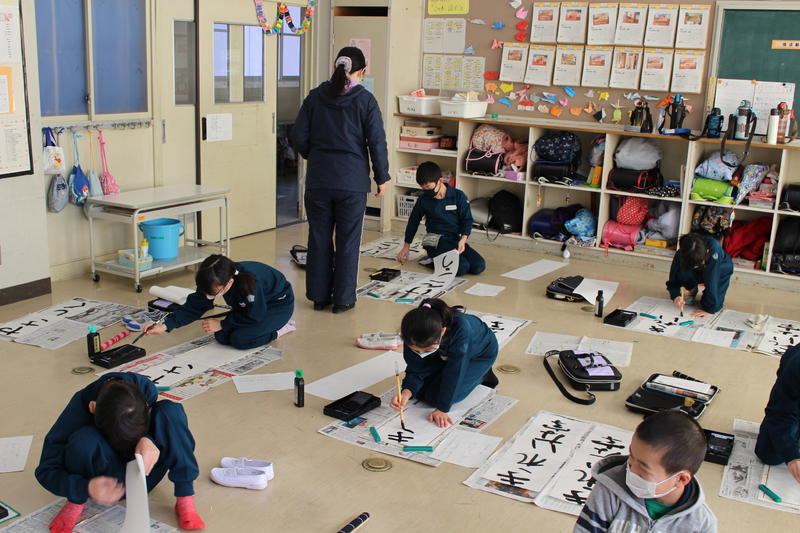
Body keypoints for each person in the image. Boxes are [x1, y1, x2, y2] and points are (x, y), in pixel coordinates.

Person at [35, 373, 205, 532]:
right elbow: (46, 470)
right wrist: (83, 488)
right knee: (83, 440)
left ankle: (185, 497)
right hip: (101, 481)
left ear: (146, 405)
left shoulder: (146, 392)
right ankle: (76, 503)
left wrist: (149, 439)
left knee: (170, 411)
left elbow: (165, 428)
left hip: (144, 472)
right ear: (92, 407)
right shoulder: (78, 408)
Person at [291, 46, 389, 314]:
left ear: (335, 67)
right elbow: (376, 142)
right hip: (351, 183)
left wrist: (315, 156)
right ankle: (343, 300)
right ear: (362, 71)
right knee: (348, 241)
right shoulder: (365, 100)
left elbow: (298, 136)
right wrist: (381, 177)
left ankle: (319, 297)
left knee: (319, 239)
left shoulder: (315, 96)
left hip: (319, 180)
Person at [574, 411, 717, 533]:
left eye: (643, 468)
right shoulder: (609, 490)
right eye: (631, 456)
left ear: (681, 479)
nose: (631, 469)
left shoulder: (701, 524)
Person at [146, 254, 294, 350]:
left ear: (229, 283)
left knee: (240, 339)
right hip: (250, 307)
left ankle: (280, 329)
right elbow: (194, 307)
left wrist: (223, 324)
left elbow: (255, 314)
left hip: (277, 305)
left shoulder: (249, 286)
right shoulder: (214, 279)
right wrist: (164, 325)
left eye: (212, 294)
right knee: (221, 336)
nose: (207, 297)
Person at [390, 298, 498, 428]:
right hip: (443, 354)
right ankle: (440, 361)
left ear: (442, 331)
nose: (421, 353)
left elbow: (456, 371)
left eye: (427, 350)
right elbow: (416, 367)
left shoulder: (461, 329)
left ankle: (482, 374)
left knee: (435, 399)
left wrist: (442, 409)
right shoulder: (412, 334)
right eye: (416, 350)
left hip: (477, 355)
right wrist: (406, 392)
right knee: (418, 392)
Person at [396, 161, 485, 275]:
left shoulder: (458, 196)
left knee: (479, 266)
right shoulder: (424, 200)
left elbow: (467, 219)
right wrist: (406, 246)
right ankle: (431, 260)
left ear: (440, 181)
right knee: (462, 268)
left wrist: (463, 239)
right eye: (423, 188)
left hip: (454, 239)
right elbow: (413, 222)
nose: (426, 191)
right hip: (434, 241)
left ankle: (439, 258)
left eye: (428, 187)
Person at [756, 344, 800, 483]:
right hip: (791, 393)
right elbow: (779, 413)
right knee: (770, 455)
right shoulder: (796, 366)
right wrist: (792, 457)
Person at [667, 233, 733, 317]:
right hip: (698, 268)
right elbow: (673, 279)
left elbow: (712, 281)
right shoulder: (681, 253)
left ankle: (709, 302)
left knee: (713, 305)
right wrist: (675, 295)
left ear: (707, 251)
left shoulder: (714, 249)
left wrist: (710, 310)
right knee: (683, 270)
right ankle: (691, 289)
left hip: (720, 269)